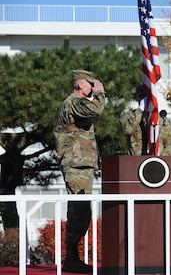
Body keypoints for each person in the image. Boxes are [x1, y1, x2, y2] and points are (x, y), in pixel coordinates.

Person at [53, 69, 106, 273]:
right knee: (79, 210)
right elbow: (96, 109)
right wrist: (100, 92)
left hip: (80, 165)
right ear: (79, 85)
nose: (92, 87)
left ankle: (72, 258)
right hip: (76, 165)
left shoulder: (75, 104)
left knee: (81, 210)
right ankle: (72, 259)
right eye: (89, 84)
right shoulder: (73, 103)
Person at [119, 84, 171, 156]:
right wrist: (140, 111)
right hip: (135, 162)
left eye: (147, 96)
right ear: (137, 98)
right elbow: (128, 130)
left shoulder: (162, 119)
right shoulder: (129, 116)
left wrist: (159, 160)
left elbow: (170, 145)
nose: (145, 99)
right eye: (141, 96)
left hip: (158, 162)